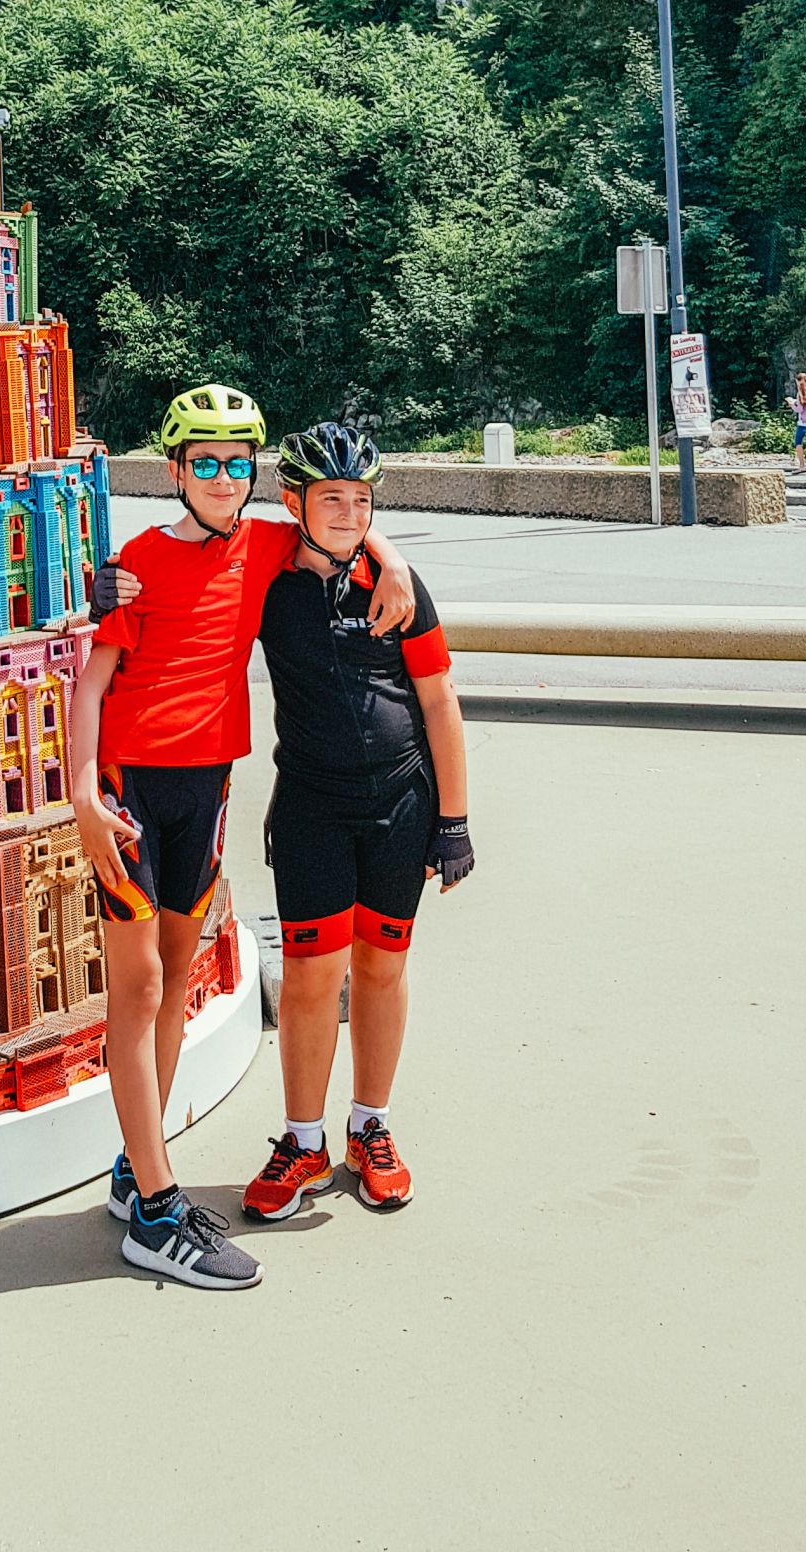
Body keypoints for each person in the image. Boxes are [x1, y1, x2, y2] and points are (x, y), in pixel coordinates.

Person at [68, 382, 417, 1291]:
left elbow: (336, 526)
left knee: (176, 976)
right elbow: (92, 682)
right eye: (205, 463)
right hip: (130, 788)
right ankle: (154, 1211)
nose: (225, 478)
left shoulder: (264, 544)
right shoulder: (138, 559)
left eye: (238, 463)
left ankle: (128, 1168)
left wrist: (395, 559)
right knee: (138, 986)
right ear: (176, 470)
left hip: (208, 787)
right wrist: (78, 794)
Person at [239, 423, 472, 1224]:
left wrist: (455, 820)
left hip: (402, 802)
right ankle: (303, 1140)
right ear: (293, 501)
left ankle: (369, 1124)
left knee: (380, 965)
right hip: (311, 804)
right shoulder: (265, 578)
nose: (346, 513)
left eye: (361, 501)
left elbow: (440, 700)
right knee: (310, 976)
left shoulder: (397, 584)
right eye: (330, 498)